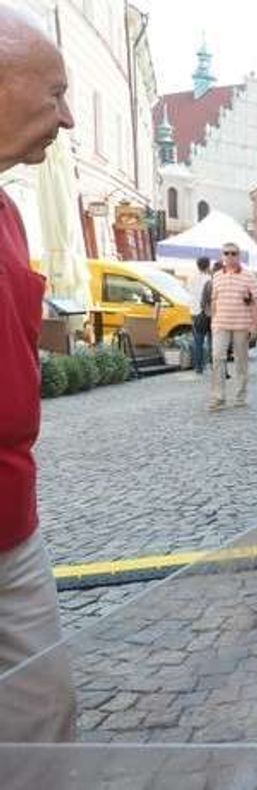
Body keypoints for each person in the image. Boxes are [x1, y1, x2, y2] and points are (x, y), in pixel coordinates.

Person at [0, 4, 76, 742]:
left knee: (44, 716)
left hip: (11, 521)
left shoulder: (9, 214)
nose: (67, 117)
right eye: (53, 94)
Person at [209, 242, 257, 410]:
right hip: (220, 324)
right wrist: (213, 320)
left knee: (241, 361)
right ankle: (219, 397)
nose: (230, 256)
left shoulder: (248, 276)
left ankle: (240, 396)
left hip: (241, 324)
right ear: (222, 256)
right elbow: (214, 299)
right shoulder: (217, 276)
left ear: (239, 256)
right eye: (227, 253)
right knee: (217, 358)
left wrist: (255, 325)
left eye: (233, 253)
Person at [187, 256, 211, 373]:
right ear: (208, 265)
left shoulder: (191, 279)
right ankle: (213, 364)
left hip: (195, 312)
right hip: (208, 312)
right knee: (212, 339)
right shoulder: (210, 279)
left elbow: (188, 293)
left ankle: (198, 367)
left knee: (198, 341)